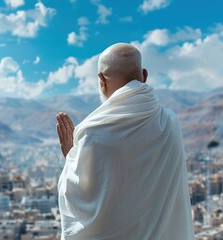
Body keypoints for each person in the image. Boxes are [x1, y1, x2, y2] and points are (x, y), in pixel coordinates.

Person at [55, 43, 195, 240]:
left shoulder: (94, 132)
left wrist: (70, 157)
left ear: (101, 80)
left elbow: (85, 208)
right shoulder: (170, 122)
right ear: (144, 76)